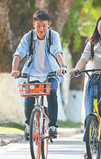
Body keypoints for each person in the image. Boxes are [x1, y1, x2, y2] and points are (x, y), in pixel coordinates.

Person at [11, 10, 68, 140]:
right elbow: (18, 53)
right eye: (38, 25)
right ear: (33, 24)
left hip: (52, 72)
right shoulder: (29, 37)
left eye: (44, 25)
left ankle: (53, 126)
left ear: (49, 25)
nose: (41, 28)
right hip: (32, 74)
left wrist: (63, 66)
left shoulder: (53, 36)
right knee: (29, 99)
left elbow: (58, 51)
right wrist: (14, 69)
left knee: (52, 92)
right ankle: (28, 125)